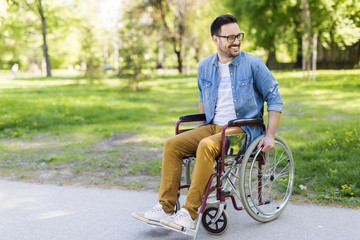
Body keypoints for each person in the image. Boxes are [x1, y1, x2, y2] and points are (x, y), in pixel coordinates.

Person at [131, 14, 283, 231]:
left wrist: (269, 135)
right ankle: (166, 207)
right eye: (230, 37)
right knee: (172, 144)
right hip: (213, 127)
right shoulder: (204, 66)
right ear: (215, 40)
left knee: (207, 145)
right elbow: (203, 101)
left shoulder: (253, 64)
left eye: (238, 36)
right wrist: (200, 129)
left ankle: (189, 213)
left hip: (242, 129)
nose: (237, 41)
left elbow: (275, 98)